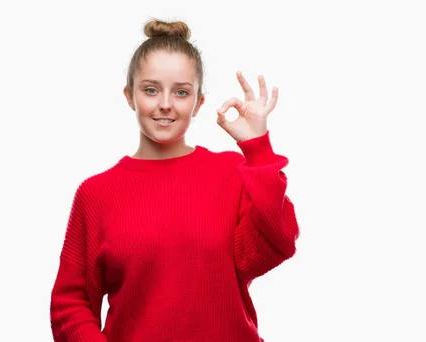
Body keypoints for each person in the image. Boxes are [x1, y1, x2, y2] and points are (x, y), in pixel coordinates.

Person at [49, 18, 300, 342]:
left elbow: (277, 243)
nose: (165, 104)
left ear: (198, 103)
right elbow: (70, 304)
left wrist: (258, 151)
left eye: (181, 92)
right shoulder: (96, 194)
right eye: (151, 89)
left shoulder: (233, 173)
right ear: (130, 96)